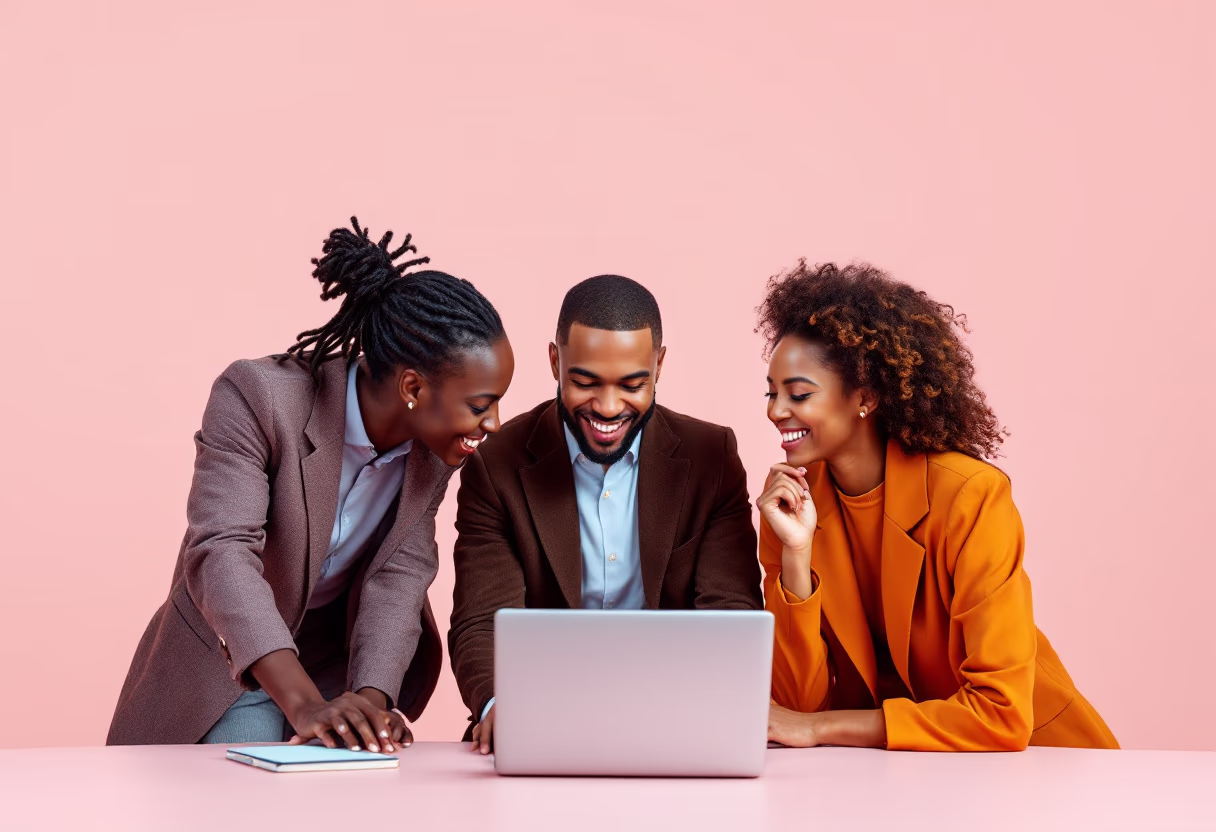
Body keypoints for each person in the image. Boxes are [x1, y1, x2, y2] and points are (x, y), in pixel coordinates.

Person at [108, 218, 514, 750]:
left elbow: (401, 572)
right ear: (413, 386)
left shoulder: (434, 451)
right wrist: (303, 705)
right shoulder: (259, 397)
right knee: (250, 794)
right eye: (481, 406)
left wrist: (370, 701)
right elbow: (222, 552)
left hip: (335, 665)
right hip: (237, 661)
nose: (494, 424)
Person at [756, 261, 1118, 751]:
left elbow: (1001, 714)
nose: (776, 411)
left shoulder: (969, 497)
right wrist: (796, 560)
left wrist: (822, 729)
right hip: (904, 776)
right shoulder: (791, 506)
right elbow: (794, 710)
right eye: (772, 393)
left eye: (798, 394)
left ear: (865, 396)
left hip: (1041, 764)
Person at [450, 275, 763, 753]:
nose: (609, 407)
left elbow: (731, 614)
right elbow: (482, 620)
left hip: (676, 726)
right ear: (555, 362)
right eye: (585, 381)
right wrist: (499, 705)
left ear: (659, 365)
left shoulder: (712, 457)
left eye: (634, 384)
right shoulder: (496, 465)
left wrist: (703, 714)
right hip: (541, 726)